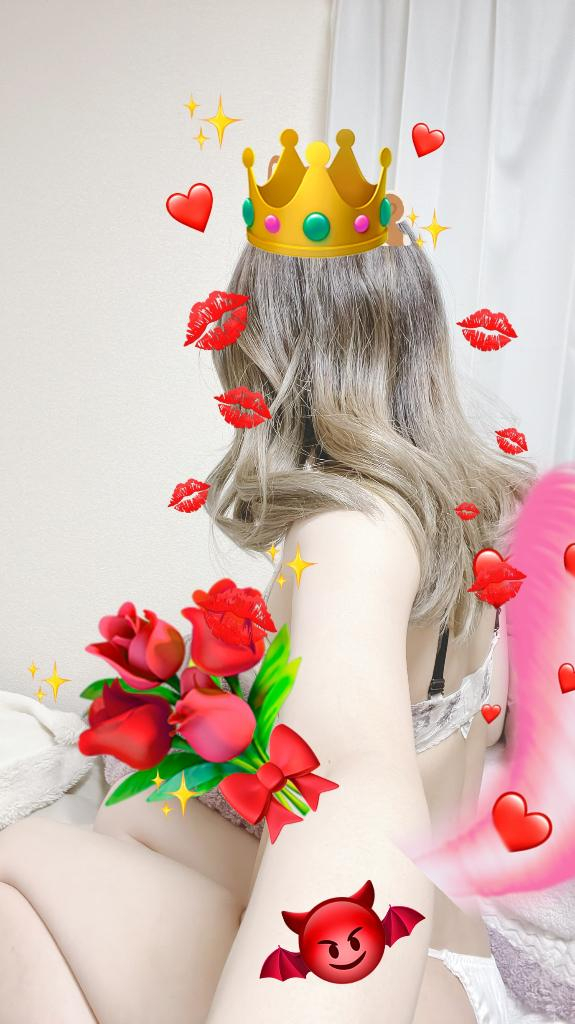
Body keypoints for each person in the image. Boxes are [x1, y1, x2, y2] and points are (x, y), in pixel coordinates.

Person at [0, 131, 535, 1024]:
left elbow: (354, 775)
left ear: (270, 346)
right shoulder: (473, 510)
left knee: (16, 870)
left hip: (397, 972)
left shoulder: (350, 526)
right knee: (130, 817)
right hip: (456, 952)